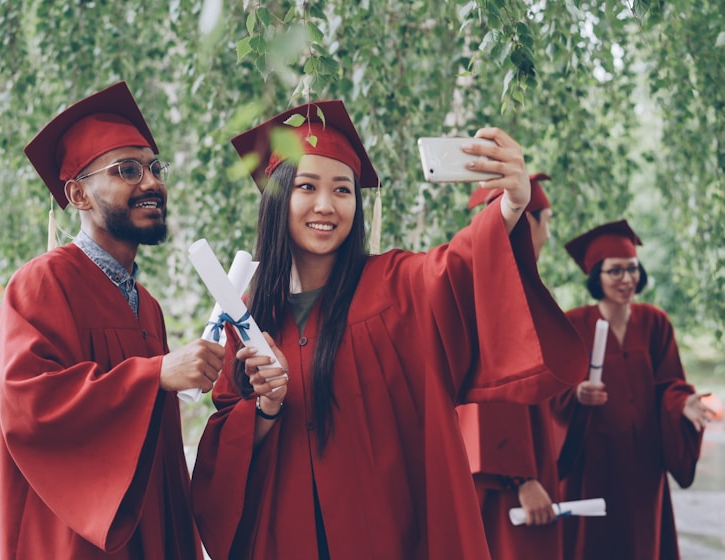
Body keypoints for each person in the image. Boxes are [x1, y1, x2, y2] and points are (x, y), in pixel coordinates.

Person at [190, 100, 588, 559]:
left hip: (387, 537)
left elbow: (457, 267)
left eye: (343, 189)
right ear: (278, 197)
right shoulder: (246, 317)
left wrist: (512, 204)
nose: (326, 204)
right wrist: (267, 406)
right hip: (282, 538)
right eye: (307, 186)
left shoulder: (396, 286)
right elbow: (224, 453)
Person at [0, 82, 224, 559]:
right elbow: (28, 404)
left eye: (154, 167)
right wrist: (155, 373)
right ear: (79, 194)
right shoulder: (41, 284)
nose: (151, 182)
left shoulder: (147, 306)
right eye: (127, 170)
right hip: (65, 540)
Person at [551, 219, 712, 560]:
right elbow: (552, 390)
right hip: (593, 461)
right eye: (615, 271)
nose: (626, 279)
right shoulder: (573, 324)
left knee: (642, 542)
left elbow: (670, 383)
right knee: (593, 543)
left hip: (644, 463)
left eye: (632, 269)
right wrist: (577, 394)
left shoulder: (655, 323)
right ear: (597, 275)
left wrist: (682, 403)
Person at [459, 173, 570, 560]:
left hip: (520, 463)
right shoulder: (496, 289)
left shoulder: (512, 283)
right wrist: (520, 478)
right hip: (504, 476)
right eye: (547, 222)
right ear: (528, 223)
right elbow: (494, 389)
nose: (548, 236)